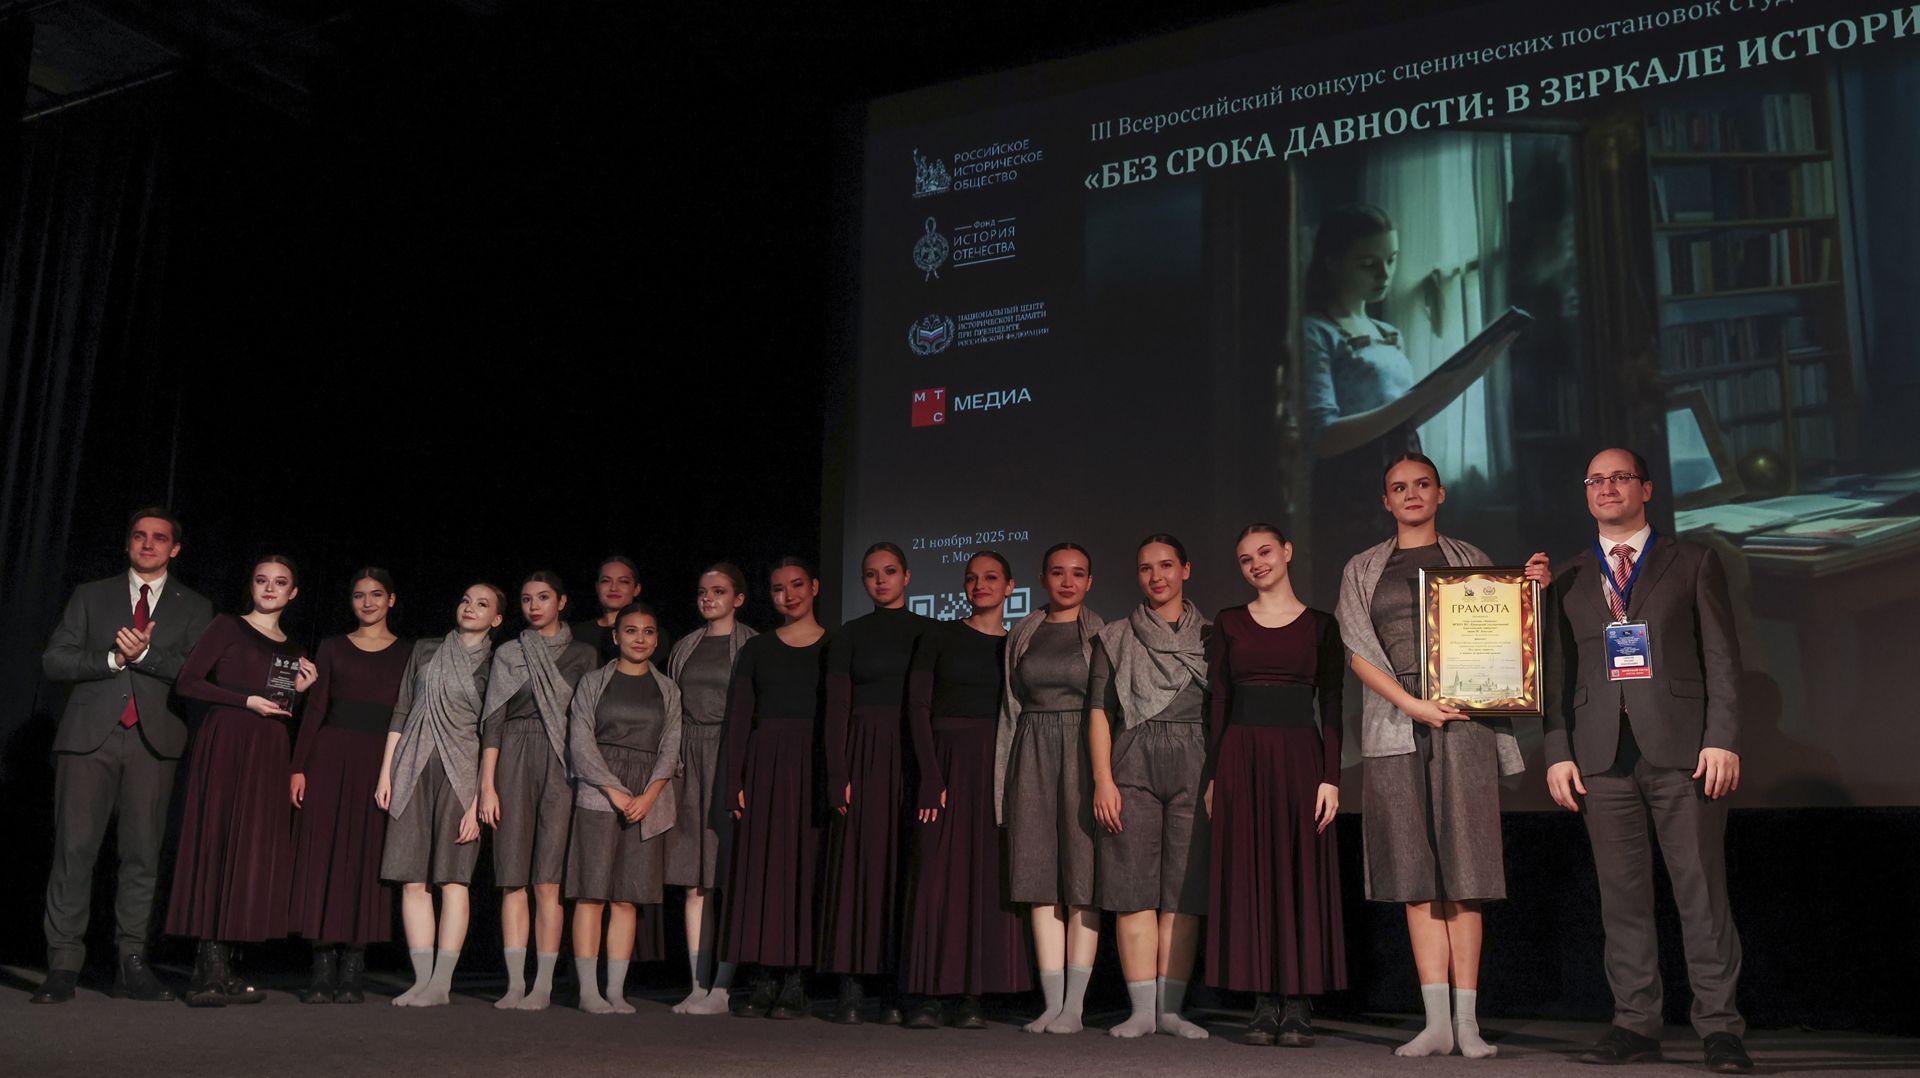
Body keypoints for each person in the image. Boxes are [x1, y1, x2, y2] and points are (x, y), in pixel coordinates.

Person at [1544, 448, 1752, 1075]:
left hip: (1685, 752)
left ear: (1647, 489)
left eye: (1620, 477)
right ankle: (1635, 1024)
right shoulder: (1566, 576)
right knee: (1622, 901)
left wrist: (1722, 737)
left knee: (1701, 896)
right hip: (1600, 756)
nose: (1607, 487)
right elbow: (1554, 674)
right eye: (1595, 479)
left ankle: (1720, 1029)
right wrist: (1557, 751)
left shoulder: (1692, 561)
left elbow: (1722, 658)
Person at [1335, 454, 1549, 1058]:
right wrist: (1412, 704)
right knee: (1414, 872)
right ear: (1386, 501)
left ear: (1440, 493)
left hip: (1465, 718)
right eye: (1398, 487)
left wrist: (1529, 596)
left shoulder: (1470, 558)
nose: (1411, 494)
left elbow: (1504, 637)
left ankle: (1468, 1024)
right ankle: (1434, 1023)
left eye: (1421, 485)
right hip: (1394, 723)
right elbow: (1357, 650)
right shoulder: (1362, 568)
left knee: (1467, 869)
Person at [35, 508, 214, 1005]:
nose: (148, 544)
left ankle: (131, 962)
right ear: (128, 543)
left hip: (152, 744)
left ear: (175, 548)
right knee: (74, 852)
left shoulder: (194, 606)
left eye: (159, 538)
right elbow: (55, 659)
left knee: (141, 856)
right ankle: (63, 964)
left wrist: (145, 656)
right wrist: (113, 658)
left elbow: (198, 673)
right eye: (139, 536)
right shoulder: (91, 595)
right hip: (87, 741)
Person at [1206, 525, 1345, 1047]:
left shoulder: (1321, 625)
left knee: (1299, 873)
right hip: (1241, 758)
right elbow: (1219, 701)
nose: (1257, 563)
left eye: (1264, 552)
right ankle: (1263, 1003)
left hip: (1301, 758)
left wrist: (1331, 776)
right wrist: (1214, 774)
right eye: (1246, 559)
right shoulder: (1228, 622)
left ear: (1287, 551)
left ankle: (1299, 1002)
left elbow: (1332, 705)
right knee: (1251, 874)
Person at [166, 555, 318, 1006]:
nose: (269, 588)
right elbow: (188, 682)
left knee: (248, 851)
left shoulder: (294, 648)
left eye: (280, 582)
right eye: (261, 580)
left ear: (293, 593)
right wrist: (244, 701)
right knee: (217, 842)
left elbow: (279, 705)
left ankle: (225, 968)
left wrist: (297, 693)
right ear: (251, 585)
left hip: (269, 750)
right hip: (227, 742)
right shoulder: (227, 626)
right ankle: (206, 971)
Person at [900, 551, 1031, 1030]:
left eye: (991, 577)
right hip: (945, 762)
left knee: (984, 876)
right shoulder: (939, 635)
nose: (980, 585)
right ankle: (928, 992)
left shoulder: (1017, 645)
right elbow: (918, 706)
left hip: (996, 765)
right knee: (935, 876)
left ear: (1010, 587)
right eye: (972, 578)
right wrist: (931, 776)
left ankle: (973, 993)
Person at [1088, 535, 1211, 1040]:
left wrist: (1217, 777)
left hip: (1195, 760)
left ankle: (1171, 1011)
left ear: (1186, 569)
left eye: (1166, 565)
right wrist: (1103, 779)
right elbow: (1100, 711)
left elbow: (1223, 711)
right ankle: (1141, 1011)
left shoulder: (1212, 636)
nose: (1156, 576)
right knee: (1132, 886)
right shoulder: (1115, 636)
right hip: (1132, 758)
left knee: (1184, 890)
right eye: (1145, 568)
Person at [819, 542, 934, 1024]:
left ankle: (896, 988)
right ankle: (850, 985)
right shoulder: (850, 634)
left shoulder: (929, 631)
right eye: (871, 574)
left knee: (905, 867)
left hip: (911, 752)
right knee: (857, 868)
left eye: (889, 571)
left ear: (907, 577)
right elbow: (836, 709)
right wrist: (838, 773)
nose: (880, 580)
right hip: (863, 754)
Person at [376, 582, 506, 1007]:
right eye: (465, 600)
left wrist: (479, 797)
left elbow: (492, 731)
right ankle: (421, 980)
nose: (470, 608)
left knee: (453, 878)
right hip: (412, 766)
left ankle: (441, 984)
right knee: (412, 878)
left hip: (461, 773)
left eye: (482, 604)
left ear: (496, 619)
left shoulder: (496, 662)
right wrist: (386, 772)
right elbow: (402, 708)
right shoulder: (426, 648)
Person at [995, 542, 1104, 1035]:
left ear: (1089, 582)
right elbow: (1011, 706)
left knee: (1082, 880)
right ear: (1042, 578)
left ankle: (1075, 1008)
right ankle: (1051, 1003)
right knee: (1038, 878)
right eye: (1058, 572)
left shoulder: (1101, 632)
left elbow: (1110, 707)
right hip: (1032, 748)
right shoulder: (1024, 631)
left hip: (1083, 749)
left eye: (1077, 573)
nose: (1067, 581)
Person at [288, 567, 411, 1003]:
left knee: (366, 857)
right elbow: (315, 709)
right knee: (322, 856)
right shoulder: (332, 647)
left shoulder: (409, 653)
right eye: (359, 595)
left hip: (380, 763)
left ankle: (353, 967)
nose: (368, 602)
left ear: (391, 600)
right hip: (329, 758)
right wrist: (298, 766)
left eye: (377, 594)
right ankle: (322, 966)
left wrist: (399, 772)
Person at [478, 571, 599, 1010]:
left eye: (543, 597)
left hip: (561, 759)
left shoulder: (583, 653)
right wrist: (487, 785)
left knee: (548, 879)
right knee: (512, 877)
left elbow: (588, 720)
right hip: (513, 754)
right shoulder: (509, 652)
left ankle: (544, 984)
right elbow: (493, 720)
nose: (533, 606)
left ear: (561, 602)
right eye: (527, 599)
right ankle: (515, 983)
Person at [720, 557, 830, 1020]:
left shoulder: (834, 646)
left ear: (815, 587)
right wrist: (735, 780)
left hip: (813, 763)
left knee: (805, 868)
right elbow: (739, 718)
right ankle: (764, 976)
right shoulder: (757, 649)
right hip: (765, 763)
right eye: (780, 588)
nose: (789, 595)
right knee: (763, 870)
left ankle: (797, 979)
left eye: (797, 585)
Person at [565, 602, 683, 1014]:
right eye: (631, 630)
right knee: (591, 893)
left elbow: (671, 746)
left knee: (627, 898)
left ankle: (615, 990)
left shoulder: (667, 688)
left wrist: (650, 795)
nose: (639, 638)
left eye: (648, 632)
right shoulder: (593, 681)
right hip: (600, 791)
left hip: (647, 793)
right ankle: (588, 991)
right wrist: (613, 790)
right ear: (615, 637)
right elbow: (580, 741)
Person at [665, 563, 757, 1015]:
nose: (708, 598)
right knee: (694, 881)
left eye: (718, 591)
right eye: (703, 591)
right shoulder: (685, 646)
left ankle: (723, 985)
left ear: (738, 598)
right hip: (689, 762)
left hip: (730, 758)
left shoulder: (753, 644)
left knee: (728, 877)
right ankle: (697, 983)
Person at [571, 555, 642, 663]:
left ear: (636, 589)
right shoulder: (577, 635)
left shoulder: (650, 636)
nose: (613, 588)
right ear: (597, 587)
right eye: (605, 581)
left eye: (623, 581)